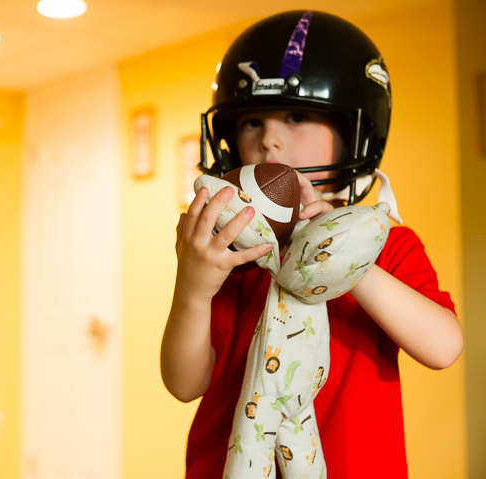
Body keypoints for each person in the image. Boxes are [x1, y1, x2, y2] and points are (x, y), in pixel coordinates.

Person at [159, 10, 463, 479]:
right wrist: (194, 288)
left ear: (352, 137)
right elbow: (184, 384)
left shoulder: (389, 245)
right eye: (251, 122)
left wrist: (347, 260)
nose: (269, 142)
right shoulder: (234, 254)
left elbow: (443, 347)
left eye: (298, 116)